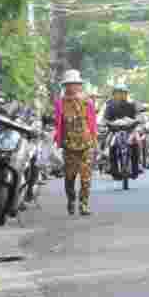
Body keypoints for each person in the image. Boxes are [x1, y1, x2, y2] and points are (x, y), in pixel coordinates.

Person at [54, 69, 97, 216]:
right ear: (65, 86)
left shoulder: (88, 102)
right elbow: (58, 123)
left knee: (86, 177)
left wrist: (94, 140)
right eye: (68, 84)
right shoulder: (60, 103)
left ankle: (84, 205)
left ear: (79, 85)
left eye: (74, 84)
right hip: (69, 145)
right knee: (69, 177)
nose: (72, 87)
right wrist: (58, 141)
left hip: (86, 143)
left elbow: (92, 122)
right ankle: (71, 200)